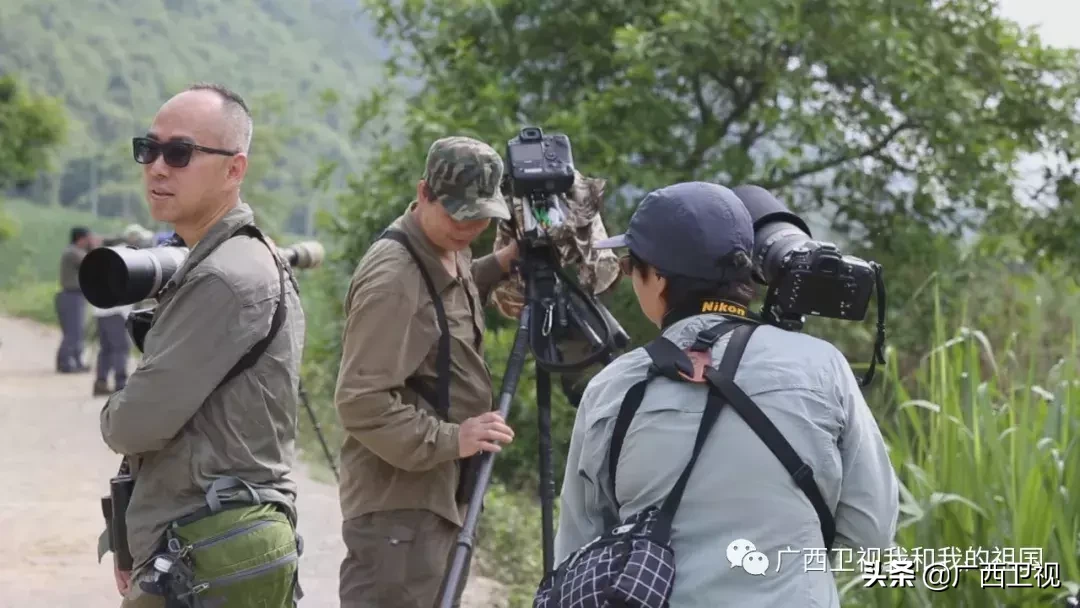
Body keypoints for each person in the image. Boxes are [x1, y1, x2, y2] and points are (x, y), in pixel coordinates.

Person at [552, 182, 899, 606]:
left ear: (657, 277)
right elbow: (871, 534)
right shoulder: (824, 367)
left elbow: (578, 548)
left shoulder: (614, 388)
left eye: (630, 267)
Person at [98, 82, 306, 608]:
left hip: (206, 549)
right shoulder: (244, 258)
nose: (157, 167)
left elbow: (133, 424)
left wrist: (113, 408)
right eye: (149, 149)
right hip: (222, 539)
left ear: (234, 169)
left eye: (180, 153)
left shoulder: (223, 278)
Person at [334, 135, 520, 607]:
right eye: (458, 213)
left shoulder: (445, 246)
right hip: (399, 510)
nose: (470, 226)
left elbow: (438, 308)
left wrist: (498, 265)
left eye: (481, 216)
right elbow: (360, 403)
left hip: (433, 499)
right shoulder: (393, 279)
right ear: (423, 194)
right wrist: (454, 439)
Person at [56, 225, 96, 373]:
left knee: (76, 332)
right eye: (88, 238)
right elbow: (91, 262)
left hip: (73, 296)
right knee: (73, 332)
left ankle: (73, 362)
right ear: (81, 238)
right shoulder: (73, 252)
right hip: (71, 296)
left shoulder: (74, 251)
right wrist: (94, 247)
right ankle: (66, 364)